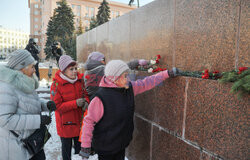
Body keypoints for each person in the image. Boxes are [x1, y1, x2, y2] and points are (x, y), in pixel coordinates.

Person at [79, 60, 181, 160]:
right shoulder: (100, 98)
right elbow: (89, 122)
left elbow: (147, 82)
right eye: (125, 76)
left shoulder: (129, 89)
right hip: (106, 147)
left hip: (121, 143)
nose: (128, 78)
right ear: (115, 78)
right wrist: (85, 146)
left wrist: (166, 74)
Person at [0, 49, 55, 160]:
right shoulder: (7, 87)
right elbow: (5, 120)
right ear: (22, 68)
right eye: (32, 67)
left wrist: (45, 105)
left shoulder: (25, 82)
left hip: (32, 144)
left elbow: (26, 103)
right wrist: (38, 120)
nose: (35, 70)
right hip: (17, 149)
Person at [50, 55, 90, 160]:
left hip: (79, 123)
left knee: (79, 153)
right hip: (65, 125)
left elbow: (85, 95)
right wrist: (75, 103)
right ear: (63, 71)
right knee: (66, 153)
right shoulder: (56, 84)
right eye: (71, 69)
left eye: (75, 68)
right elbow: (57, 106)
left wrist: (86, 102)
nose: (74, 71)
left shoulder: (80, 81)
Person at [83, 51, 149, 99]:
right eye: (104, 59)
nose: (105, 62)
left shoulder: (87, 71)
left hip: (93, 100)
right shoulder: (101, 69)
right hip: (103, 100)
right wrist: (137, 62)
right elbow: (120, 68)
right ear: (99, 60)